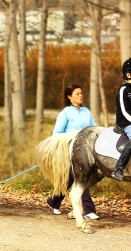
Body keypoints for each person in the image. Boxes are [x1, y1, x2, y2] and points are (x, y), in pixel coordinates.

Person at [46, 84, 99, 220]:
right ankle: (88, 210)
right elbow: (56, 133)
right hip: (70, 150)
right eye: (77, 94)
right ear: (70, 97)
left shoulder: (86, 111)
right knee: (82, 177)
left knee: (72, 178)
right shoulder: (65, 113)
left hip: (87, 150)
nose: (81, 95)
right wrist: (73, 136)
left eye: (81, 93)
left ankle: (53, 201)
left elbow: (93, 128)